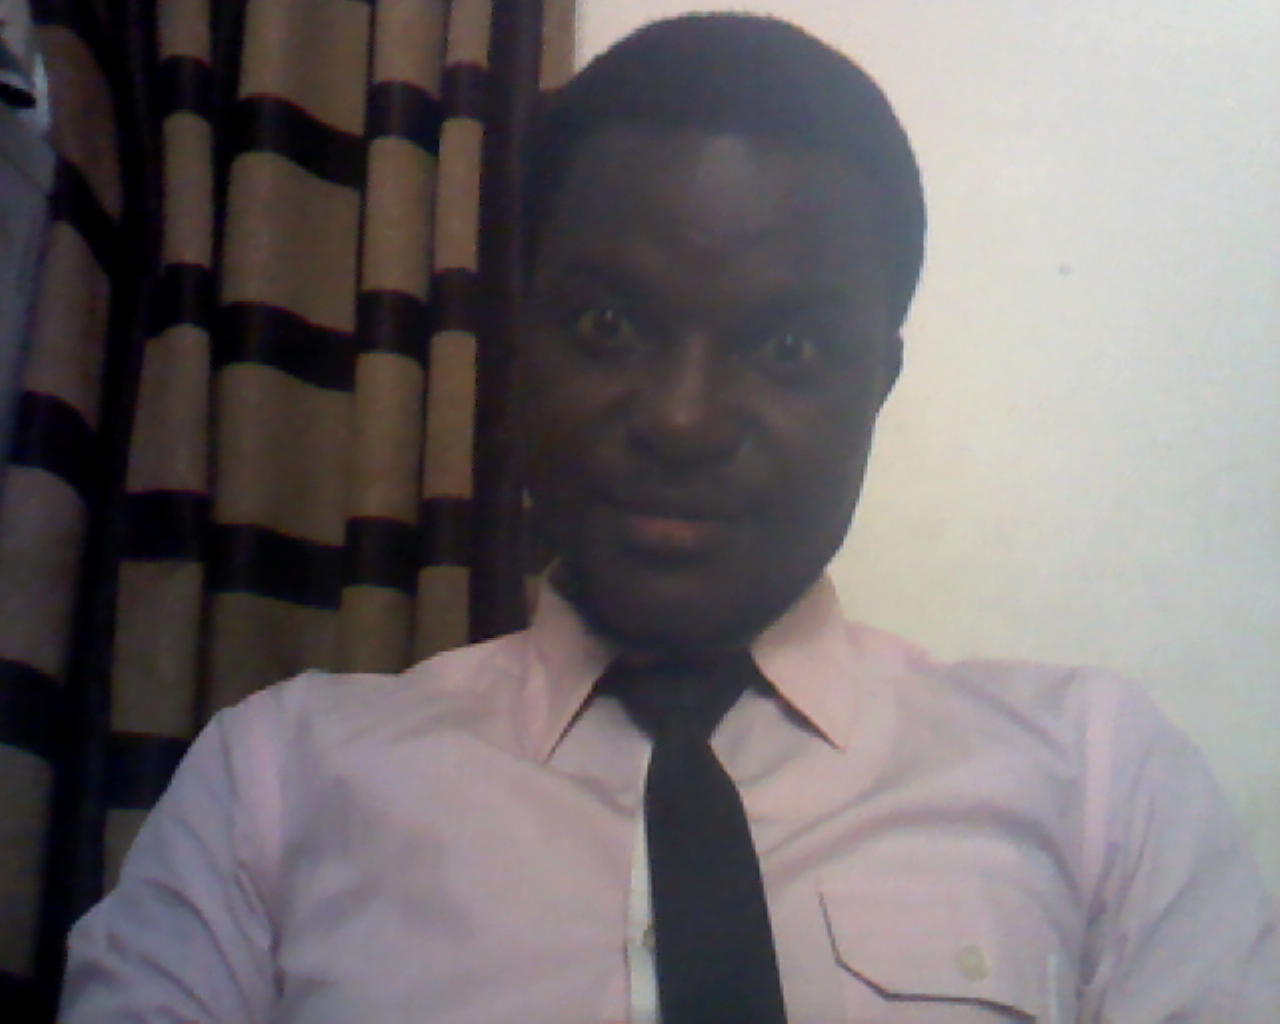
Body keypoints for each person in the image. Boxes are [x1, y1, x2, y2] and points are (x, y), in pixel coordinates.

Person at [61, 14, 1279, 1022]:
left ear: (877, 385)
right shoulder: (274, 790)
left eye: (787, 347)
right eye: (606, 324)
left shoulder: (1098, 788)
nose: (682, 420)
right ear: (516, 344)